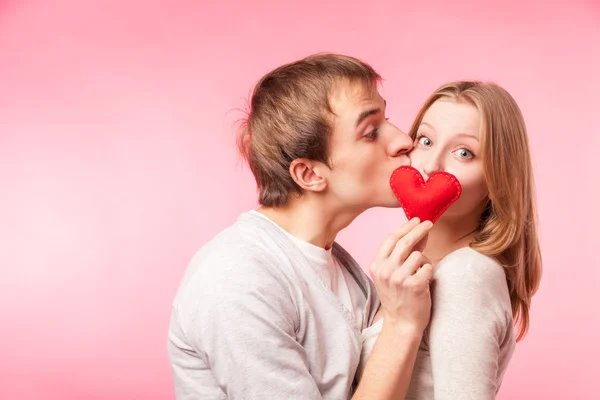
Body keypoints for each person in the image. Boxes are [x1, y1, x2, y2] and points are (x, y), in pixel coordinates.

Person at [167, 53, 435, 400]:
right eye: (371, 132)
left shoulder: (345, 274)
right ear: (310, 175)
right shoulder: (237, 279)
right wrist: (401, 324)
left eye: (388, 119)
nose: (403, 140)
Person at [357, 81, 543, 399]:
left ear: (497, 181)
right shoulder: (408, 273)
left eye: (464, 153)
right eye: (425, 140)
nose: (431, 165)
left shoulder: (466, 275)